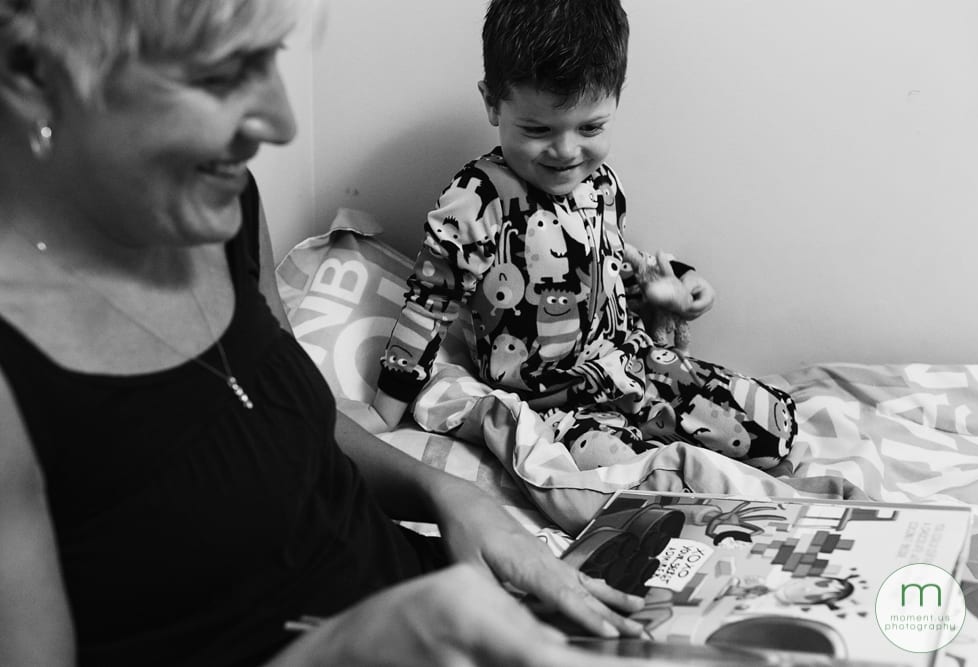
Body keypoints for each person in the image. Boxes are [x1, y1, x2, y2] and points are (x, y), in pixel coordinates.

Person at [0, 1, 664, 665]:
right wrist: (344, 646)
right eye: (218, 75)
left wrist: (448, 494)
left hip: (427, 604)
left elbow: (288, 421)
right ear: (35, 76)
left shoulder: (220, 204)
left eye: (268, 61)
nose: (281, 121)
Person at [368, 0, 797, 471]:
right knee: (633, 475)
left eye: (590, 127)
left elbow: (607, 269)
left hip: (632, 366)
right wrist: (380, 418)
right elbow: (429, 305)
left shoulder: (603, 186)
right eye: (538, 129)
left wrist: (674, 285)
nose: (566, 151)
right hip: (552, 402)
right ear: (492, 102)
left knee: (774, 428)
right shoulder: (475, 201)